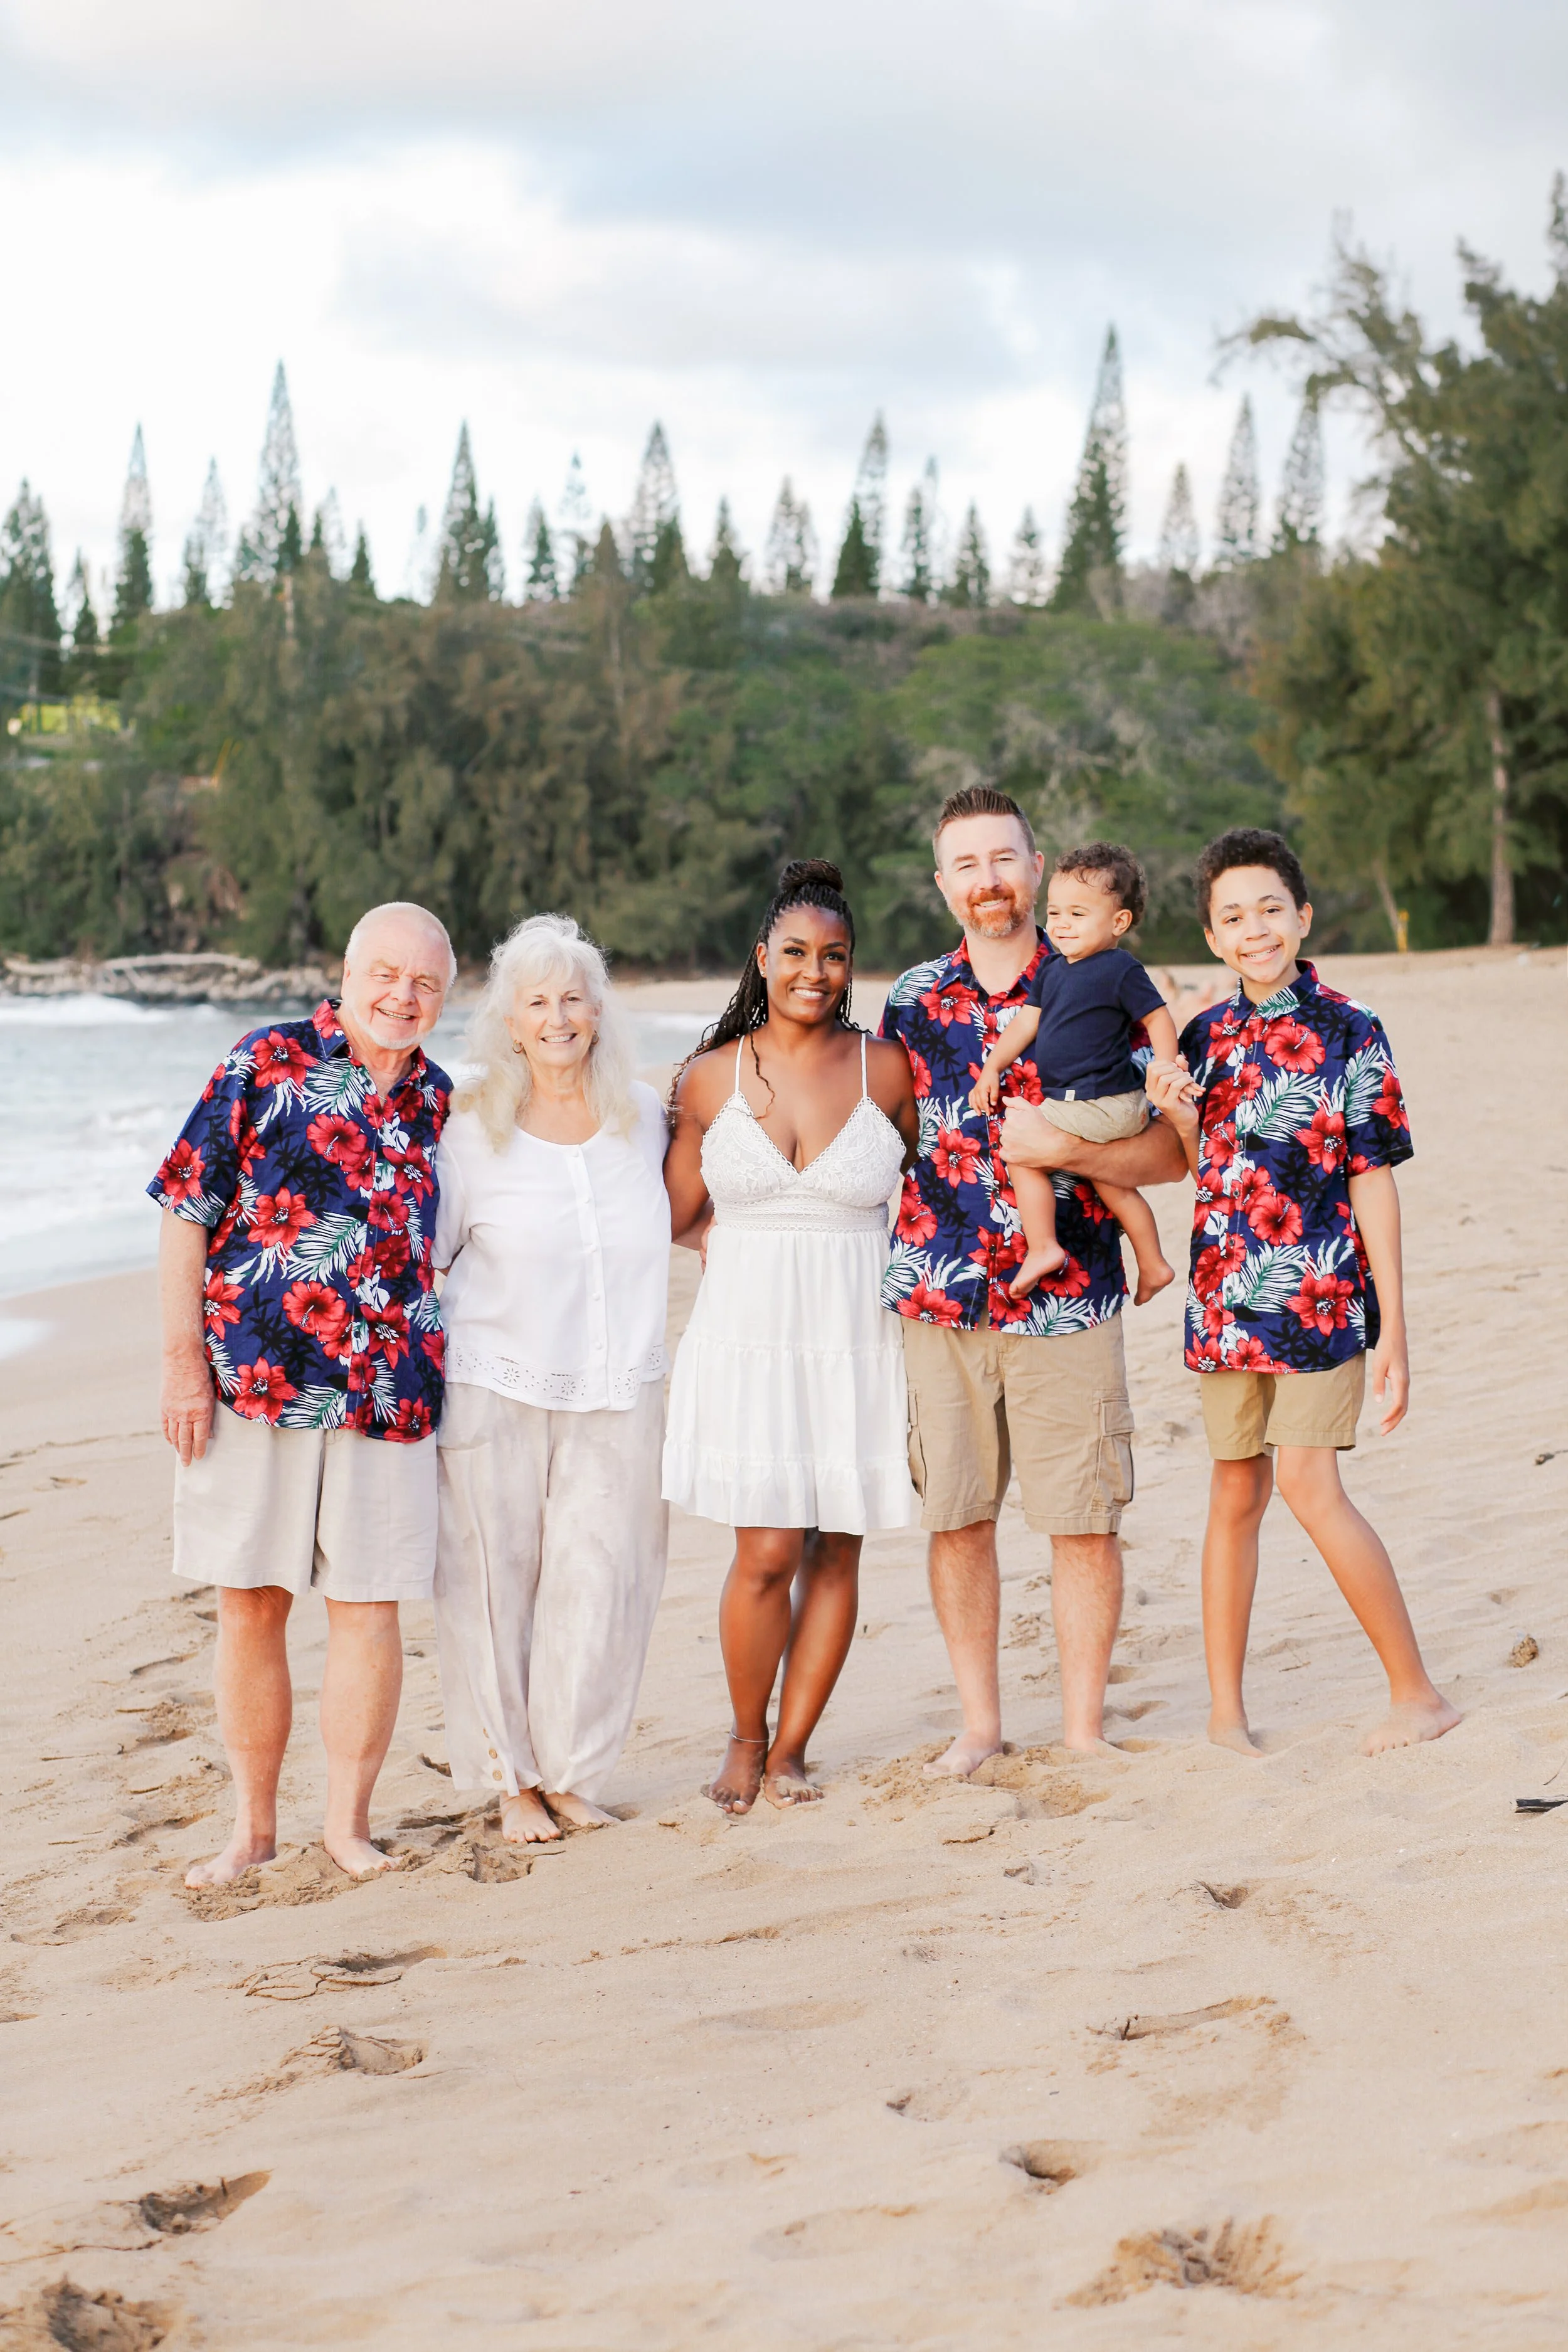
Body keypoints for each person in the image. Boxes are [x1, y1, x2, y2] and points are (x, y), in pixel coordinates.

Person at [879, 787, 1187, 1776]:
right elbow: (875, 1141)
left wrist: (1061, 1144)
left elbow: (1168, 1156)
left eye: (1004, 859)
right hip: (944, 1295)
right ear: (942, 883)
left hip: (1073, 1302)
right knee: (958, 1517)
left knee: (1084, 1522)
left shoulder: (1096, 972)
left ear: (1038, 861)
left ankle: (1085, 1728)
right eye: (965, 864)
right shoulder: (913, 1001)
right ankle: (980, 1725)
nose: (989, 882)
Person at [150, 901, 454, 1885]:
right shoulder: (264, 1059)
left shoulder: (446, 1101)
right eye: (386, 974)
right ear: (348, 971)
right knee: (252, 1604)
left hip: (389, 1394)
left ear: (443, 998)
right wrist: (180, 1363)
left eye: (425, 984)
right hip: (256, 1384)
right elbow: (187, 1208)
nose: (401, 997)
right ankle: (251, 1828)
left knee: (371, 1610)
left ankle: (347, 1825)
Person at [1143, 827, 1460, 1757]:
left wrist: (1395, 1324)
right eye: (1233, 917)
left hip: (1321, 1300)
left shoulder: (1352, 1029)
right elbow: (1208, 1170)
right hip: (1223, 1303)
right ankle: (1226, 1714)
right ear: (1211, 935)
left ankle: (1418, 1693)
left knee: (1311, 1485)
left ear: (1303, 915)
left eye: (1270, 910)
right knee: (1233, 1493)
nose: (1255, 930)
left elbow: (1373, 1176)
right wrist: (1176, 1111)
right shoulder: (1201, 1038)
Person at [663, 859, 919, 1815]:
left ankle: (793, 1749)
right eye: (798, 952)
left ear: (852, 966)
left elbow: (943, 1198)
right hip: (749, 1334)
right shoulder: (706, 1079)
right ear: (762, 957)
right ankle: (744, 1733)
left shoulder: (886, 1069)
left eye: (836, 956)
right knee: (767, 1550)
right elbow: (668, 1212)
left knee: (838, 1549)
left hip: (856, 1329)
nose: (816, 971)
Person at [433, 915, 671, 1843]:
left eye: (574, 997)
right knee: (492, 1586)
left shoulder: (643, 1115)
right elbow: (433, 1253)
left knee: (604, 1580)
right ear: (509, 1019)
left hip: (620, 1382)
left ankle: (572, 1773)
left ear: (600, 1011)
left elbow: (695, 1211)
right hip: (496, 1379)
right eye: (538, 1001)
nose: (559, 1016)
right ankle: (510, 1780)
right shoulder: (470, 1129)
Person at [969, 841, 1180, 1303]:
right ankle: (1153, 1263)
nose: (1061, 924)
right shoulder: (1053, 970)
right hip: (1085, 1102)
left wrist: (1167, 1071)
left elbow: (1158, 1018)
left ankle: (1043, 1246)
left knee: (1022, 1150)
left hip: (1104, 1100)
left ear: (1119, 922)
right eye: (1057, 912)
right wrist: (992, 1067)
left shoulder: (1119, 969)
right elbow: (1027, 1023)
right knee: (1112, 1185)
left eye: (1078, 915)